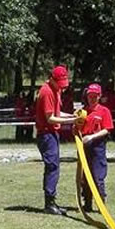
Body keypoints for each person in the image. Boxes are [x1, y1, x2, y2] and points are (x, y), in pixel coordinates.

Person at [35, 65, 77, 216]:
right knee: (52, 166)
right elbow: (50, 118)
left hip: (52, 133)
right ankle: (49, 203)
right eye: (60, 83)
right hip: (46, 134)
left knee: (55, 166)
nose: (62, 87)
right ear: (52, 79)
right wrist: (72, 121)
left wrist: (73, 116)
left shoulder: (55, 90)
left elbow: (58, 113)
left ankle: (52, 202)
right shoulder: (46, 92)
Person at [75, 83, 113, 213]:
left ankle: (101, 204)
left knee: (97, 176)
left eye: (95, 96)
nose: (92, 98)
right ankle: (87, 203)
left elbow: (107, 129)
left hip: (97, 146)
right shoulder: (83, 112)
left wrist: (92, 137)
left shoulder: (104, 111)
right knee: (84, 177)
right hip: (84, 146)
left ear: (99, 96)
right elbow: (77, 128)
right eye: (90, 96)